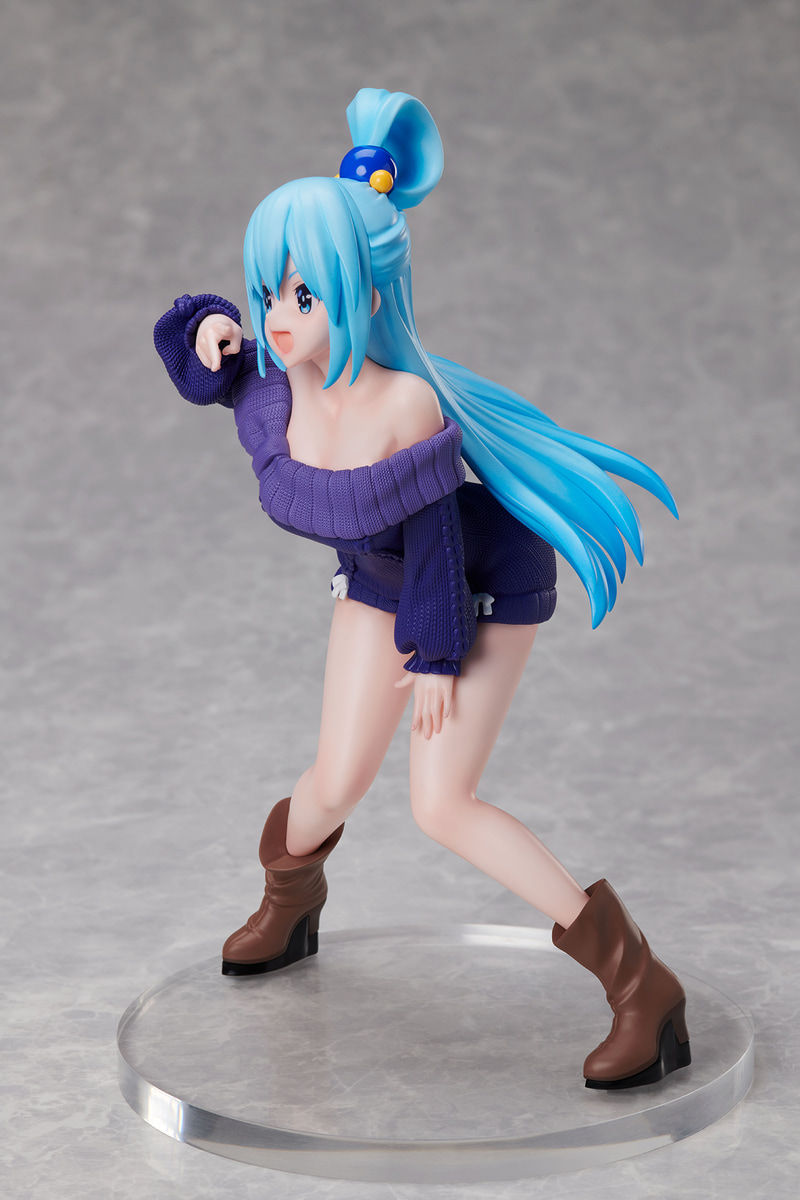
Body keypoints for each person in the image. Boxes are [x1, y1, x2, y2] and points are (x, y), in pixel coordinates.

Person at [154, 88, 690, 1090]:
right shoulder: (279, 381)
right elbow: (204, 367)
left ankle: (640, 987)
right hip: (374, 579)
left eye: (303, 296)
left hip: (477, 587)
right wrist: (210, 326)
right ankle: (289, 904)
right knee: (333, 780)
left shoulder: (403, 403)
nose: (278, 318)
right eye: (269, 291)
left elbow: (440, 541)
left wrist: (437, 655)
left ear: (363, 297)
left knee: (441, 804)